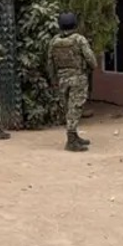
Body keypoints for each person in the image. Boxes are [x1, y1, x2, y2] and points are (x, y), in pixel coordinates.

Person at [45, 12, 96, 152]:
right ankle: (71, 141)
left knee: (68, 108)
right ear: (74, 24)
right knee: (76, 108)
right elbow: (90, 58)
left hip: (62, 79)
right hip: (77, 78)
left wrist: (54, 79)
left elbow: (50, 63)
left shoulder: (54, 41)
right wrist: (91, 67)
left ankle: (74, 136)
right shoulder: (79, 40)